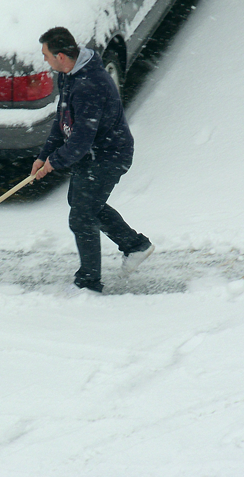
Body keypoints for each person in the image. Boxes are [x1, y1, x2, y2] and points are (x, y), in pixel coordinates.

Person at [31, 26, 154, 293]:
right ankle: (135, 246)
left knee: (81, 216)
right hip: (93, 153)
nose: (45, 60)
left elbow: (80, 140)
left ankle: (88, 283)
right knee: (82, 204)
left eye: (46, 55)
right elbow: (63, 120)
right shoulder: (69, 75)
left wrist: (53, 163)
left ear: (60, 56)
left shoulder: (89, 85)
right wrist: (44, 155)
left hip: (110, 154)